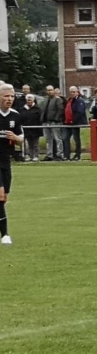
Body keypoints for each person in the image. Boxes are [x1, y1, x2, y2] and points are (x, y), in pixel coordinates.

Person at [0, 84, 24, 245]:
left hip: (5, 161)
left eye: (12, 96)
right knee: (0, 195)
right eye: (6, 96)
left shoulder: (15, 116)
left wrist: (15, 138)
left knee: (4, 198)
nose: (9, 99)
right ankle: (5, 234)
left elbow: (22, 139)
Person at [41, 84, 65, 161]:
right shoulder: (45, 100)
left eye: (51, 90)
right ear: (46, 91)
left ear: (54, 90)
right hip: (46, 122)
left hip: (55, 122)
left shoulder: (58, 99)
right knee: (48, 139)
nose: (50, 92)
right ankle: (49, 155)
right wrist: (42, 119)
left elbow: (60, 110)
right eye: (48, 90)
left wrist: (56, 119)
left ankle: (60, 154)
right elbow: (43, 110)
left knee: (58, 139)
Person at [63, 86, 87, 161]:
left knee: (76, 138)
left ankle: (78, 155)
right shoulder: (69, 100)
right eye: (71, 92)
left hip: (75, 123)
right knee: (65, 138)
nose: (72, 93)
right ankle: (66, 155)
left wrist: (73, 121)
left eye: (74, 92)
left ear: (77, 92)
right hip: (68, 123)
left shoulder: (79, 101)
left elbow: (80, 112)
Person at [21, 94, 42, 161]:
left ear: (33, 100)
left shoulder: (38, 109)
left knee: (35, 144)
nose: (29, 101)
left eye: (30, 100)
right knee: (28, 144)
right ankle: (30, 156)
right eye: (28, 100)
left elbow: (40, 119)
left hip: (35, 129)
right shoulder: (22, 109)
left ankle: (36, 156)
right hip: (26, 129)